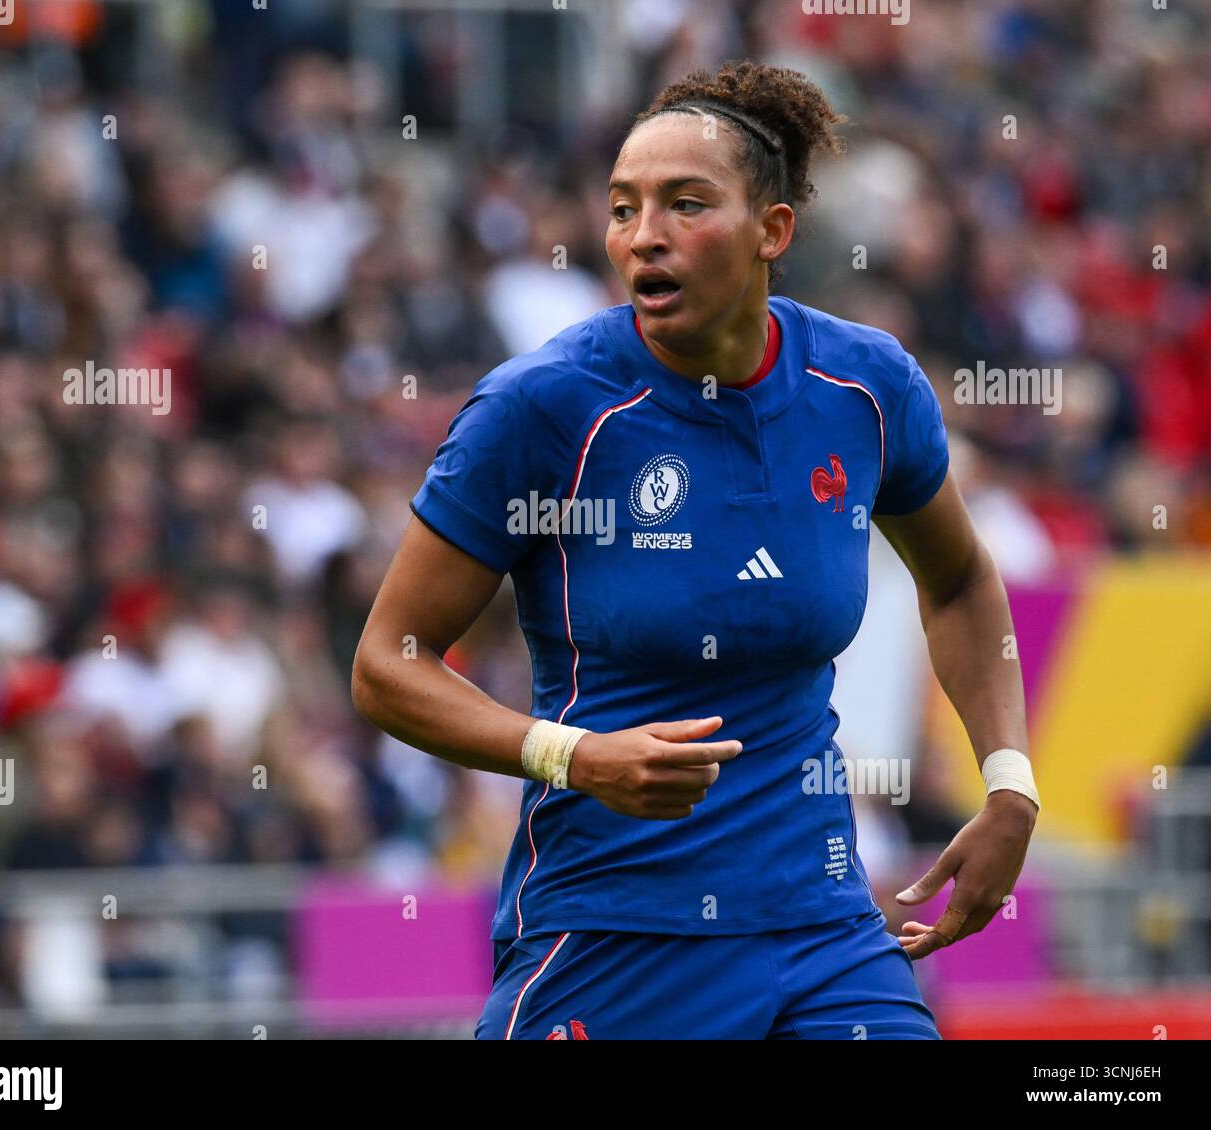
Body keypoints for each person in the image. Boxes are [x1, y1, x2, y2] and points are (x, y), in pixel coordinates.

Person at [351, 60, 1040, 1040]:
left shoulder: (864, 386)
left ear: (772, 231)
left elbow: (962, 576)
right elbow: (387, 663)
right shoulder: (542, 408)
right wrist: (572, 755)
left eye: (684, 204)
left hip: (823, 926)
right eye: (623, 209)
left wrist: (1007, 776)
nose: (644, 236)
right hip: (612, 931)